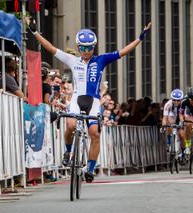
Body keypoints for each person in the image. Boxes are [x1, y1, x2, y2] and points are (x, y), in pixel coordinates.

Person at [28, 18, 151, 182]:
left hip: (93, 101)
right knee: (70, 125)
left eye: (90, 48)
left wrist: (139, 38)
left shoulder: (101, 60)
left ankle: (91, 168)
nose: (86, 51)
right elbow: (51, 48)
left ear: (94, 47)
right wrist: (35, 32)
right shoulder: (73, 60)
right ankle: (68, 151)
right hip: (77, 99)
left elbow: (122, 52)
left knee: (94, 133)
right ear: (78, 47)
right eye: (83, 48)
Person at [161, 89, 186, 161]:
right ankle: (169, 142)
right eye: (174, 100)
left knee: (181, 135)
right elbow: (165, 118)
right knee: (169, 123)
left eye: (178, 100)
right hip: (172, 116)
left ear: (181, 100)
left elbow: (185, 117)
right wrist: (163, 126)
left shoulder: (184, 104)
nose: (176, 102)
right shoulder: (168, 104)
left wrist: (183, 124)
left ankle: (183, 153)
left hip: (180, 117)